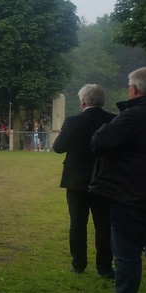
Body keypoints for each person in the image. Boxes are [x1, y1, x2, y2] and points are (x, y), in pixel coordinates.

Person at [87, 67, 146, 293]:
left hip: (131, 194)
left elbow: (99, 140)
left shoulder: (134, 115)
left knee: (126, 253)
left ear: (133, 89)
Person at [52, 84, 115, 277]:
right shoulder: (113, 120)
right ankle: (104, 268)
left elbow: (58, 147)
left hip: (76, 180)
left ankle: (78, 264)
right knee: (103, 226)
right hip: (104, 179)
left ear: (83, 102)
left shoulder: (73, 121)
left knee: (77, 224)